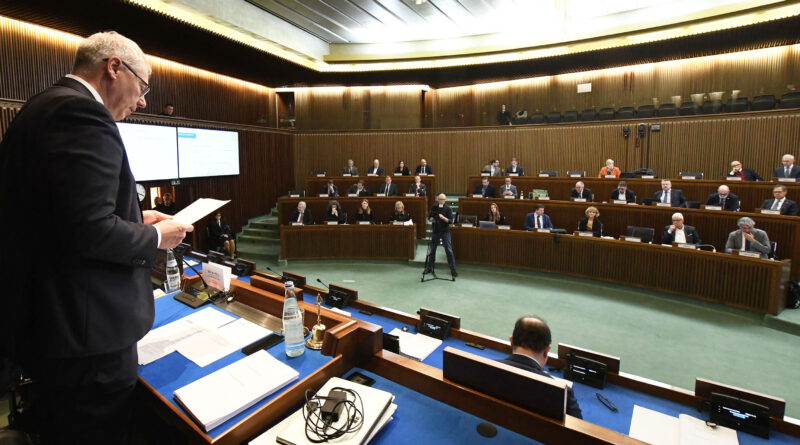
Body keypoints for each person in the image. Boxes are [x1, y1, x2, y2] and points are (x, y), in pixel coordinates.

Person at [0, 31, 194, 444]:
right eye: (143, 87)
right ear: (113, 68)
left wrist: (137, 217)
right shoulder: (82, 115)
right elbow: (89, 231)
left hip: (52, 326)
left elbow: (63, 217)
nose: (143, 101)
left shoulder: (41, 107)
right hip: (87, 338)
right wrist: (157, 236)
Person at [497, 316, 582, 419]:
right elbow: (577, 427)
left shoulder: (484, 368)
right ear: (547, 350)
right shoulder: (562, 393)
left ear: (511, 342)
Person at [424, 194, 457, 277]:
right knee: (432, 250)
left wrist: (443, 218)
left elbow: (450, 221)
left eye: (442, 199)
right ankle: (429, 267)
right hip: (435, 231)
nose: (441, 200)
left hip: (445, 231)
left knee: (448, 250)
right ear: (438, 200)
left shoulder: (448, 209)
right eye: (439, 199)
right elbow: (430, 218)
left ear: (445, 200)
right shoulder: (434, 208)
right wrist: (431, 219)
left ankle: (453, 269)